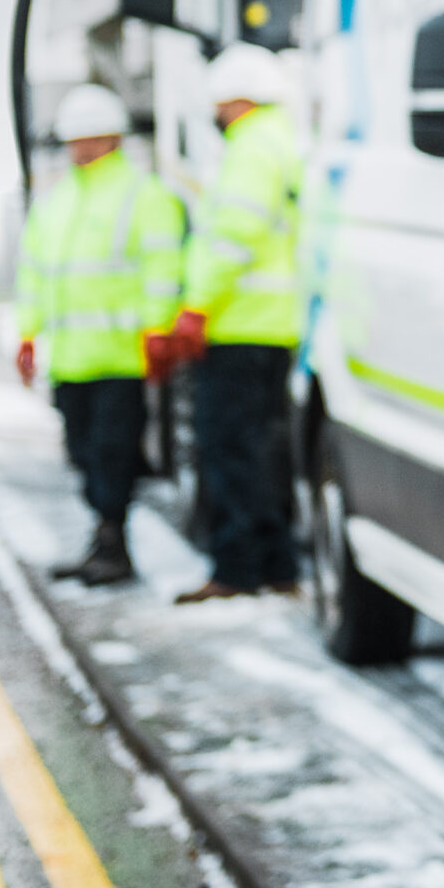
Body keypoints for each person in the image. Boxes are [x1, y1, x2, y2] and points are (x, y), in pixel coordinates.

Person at [14, 83, 185, 588]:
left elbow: (162, 267)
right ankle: (102, 539)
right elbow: (36, 274)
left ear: (112, 139)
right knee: (84, 454)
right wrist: (28, 335)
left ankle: (114, 545)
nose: (80, 149)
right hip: (71, 359)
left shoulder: (143, 195)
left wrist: (158, 331)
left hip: (121, 357)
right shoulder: (56, 201)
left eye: (89, 139)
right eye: (74, 140)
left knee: (113, 454)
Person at [161, 43, 303, 603]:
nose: (217, 118)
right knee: (262, 451)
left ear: (238, 100)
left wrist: (196, 305)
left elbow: (231, 237)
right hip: (271, 325)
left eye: (221, 107)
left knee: (228, 451)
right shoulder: (284, 142)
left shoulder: (251, 149)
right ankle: (277, 565)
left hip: (238, 325)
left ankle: (236, 570)